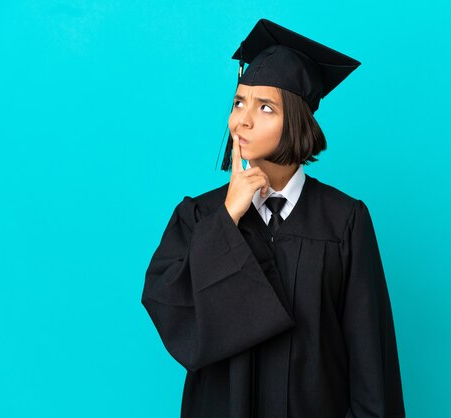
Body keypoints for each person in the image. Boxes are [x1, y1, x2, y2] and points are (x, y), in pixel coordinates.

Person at [142, 18, 405, 418]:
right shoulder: (200, 215)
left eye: (265, 107)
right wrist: (227, 217)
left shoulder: (343, 221)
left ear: (297, 121)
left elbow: (371, 361)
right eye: (238, 102)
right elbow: (170, 309)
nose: (242, 120)